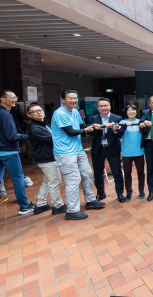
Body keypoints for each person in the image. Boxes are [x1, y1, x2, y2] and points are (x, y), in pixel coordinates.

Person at [0, 90, 34, 222]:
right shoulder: (5, 115)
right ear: (2, 99)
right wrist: (30, 135)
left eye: (15, 97)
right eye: (13, 97)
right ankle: (24, 206)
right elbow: (11, 136)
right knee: (18, 179)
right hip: (8, 152)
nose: (15, 99)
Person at [51, 90, 104, 220]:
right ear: (63, 100)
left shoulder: (75, 112)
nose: (74, 100)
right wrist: (86, 130)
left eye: (75, 98)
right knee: (73, 180)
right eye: (71, 98)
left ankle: (90, 200)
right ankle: (72, 210)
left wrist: (92, 125)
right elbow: (70, 131)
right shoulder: (59, 113)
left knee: (87, 174)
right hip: (65, 152)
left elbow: (81, 125)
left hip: (78, 150)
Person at [27, 103, 67, 215]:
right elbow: (52, 139)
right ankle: (58, 206)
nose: (39, 112)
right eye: (35, 111)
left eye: (40, 110)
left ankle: (41, 204)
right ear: (29, 115)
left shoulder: (42, 125)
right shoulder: (36, 129)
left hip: (47, 157)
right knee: (55, 181)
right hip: (46, 158)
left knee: (48, 181)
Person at [90, 98, 124, 202]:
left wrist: (115, 130)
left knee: (117, 171)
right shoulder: (94, 119)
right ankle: (100, 193)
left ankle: (120, 193)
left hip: (112, 148)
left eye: (105, 105)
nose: (103, 108)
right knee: (98, 172)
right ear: (98, 108)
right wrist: (96, 128)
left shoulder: (117, 118)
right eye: (101, 106)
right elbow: (91, 134)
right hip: (98, 148)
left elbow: (120, 133)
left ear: (109, 106)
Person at [117, 105, 147, 201]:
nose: (131, 112)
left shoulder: (140, 122)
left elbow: (144, 133)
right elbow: (119, 134)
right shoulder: (122, 122)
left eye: (133, 110)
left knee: (141, 172)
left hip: (139, 151)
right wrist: (124, 126)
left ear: (136, 112)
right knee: (127, 173)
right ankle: (129, 191)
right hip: (126, 152)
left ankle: (141, 190)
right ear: (126, 112)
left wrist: (142, 127)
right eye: (129, 110)